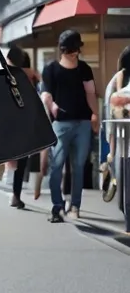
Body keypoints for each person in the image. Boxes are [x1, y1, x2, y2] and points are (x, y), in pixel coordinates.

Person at [41, 30, 98, 223]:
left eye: (76, 50)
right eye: (71, 50)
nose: (74, 54)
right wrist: (50, 104)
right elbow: (45, 93)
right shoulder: (51, 70)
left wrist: (95, 115)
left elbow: (90, 93)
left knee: (78, 167)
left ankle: (75, 205)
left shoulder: (84, 69)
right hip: (60, 125)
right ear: (63, 50)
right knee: (56, 166)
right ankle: (57, 206)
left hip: (82, 123)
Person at [6, 47, 41, 208]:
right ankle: (16, 194)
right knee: (22, 161)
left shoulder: (9, 74)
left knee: (14, 158)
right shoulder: (32, 76)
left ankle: (14, 194)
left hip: (12, 120)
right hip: (27, 121)